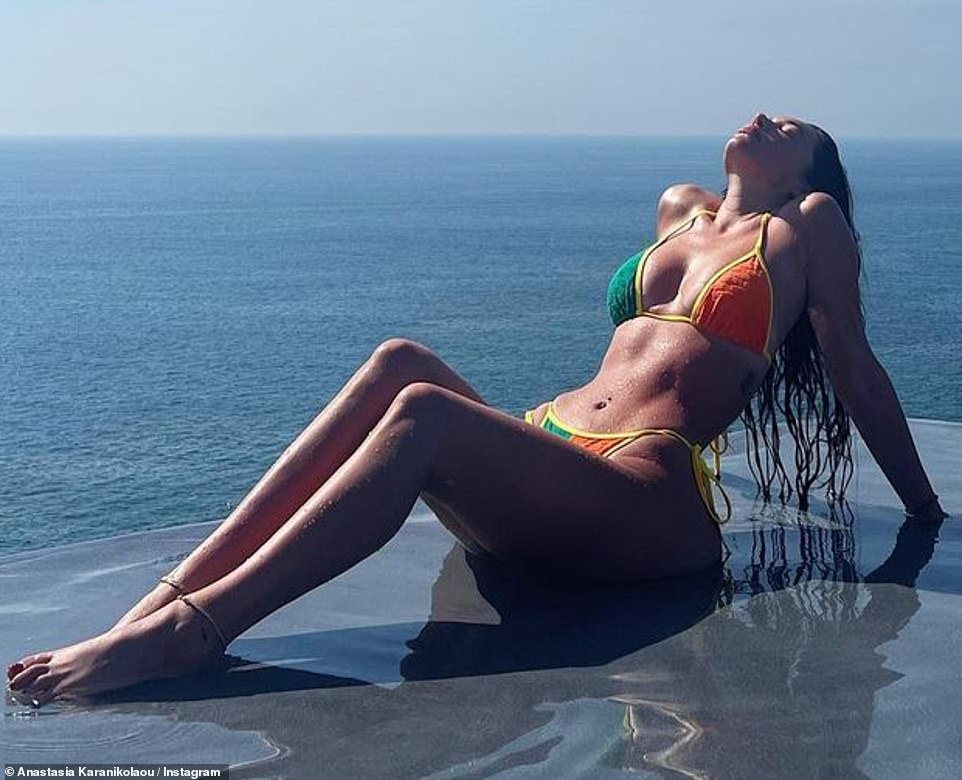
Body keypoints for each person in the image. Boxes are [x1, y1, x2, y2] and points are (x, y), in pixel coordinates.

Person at [6, 113, 946, 706]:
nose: (764, 117)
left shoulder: (806, 227)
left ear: (808, 174)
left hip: (643, 494)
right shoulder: (681, 213)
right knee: (400, 361)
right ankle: (154, 611)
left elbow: (856, 369)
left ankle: (194, 634)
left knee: (424, 409)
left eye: (791, 126)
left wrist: (925, 512)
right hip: (556, 463)